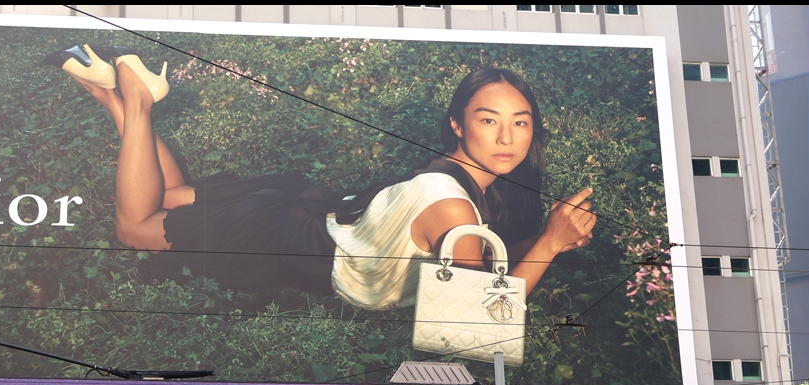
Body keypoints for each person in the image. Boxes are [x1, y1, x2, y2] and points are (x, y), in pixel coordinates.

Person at [44, 54, 596, 315]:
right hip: (287, 239)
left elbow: (480, 261)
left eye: (520, 122)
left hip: (302, 211)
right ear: (457, 123)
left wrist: (548, 239)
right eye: (489, 119)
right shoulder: (452, 207)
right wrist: (548, 242)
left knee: (165, 199)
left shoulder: (457, 180)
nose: (507, 137)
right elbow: (478, 314)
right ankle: (138, 100)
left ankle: (111, 94)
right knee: (135, 227)